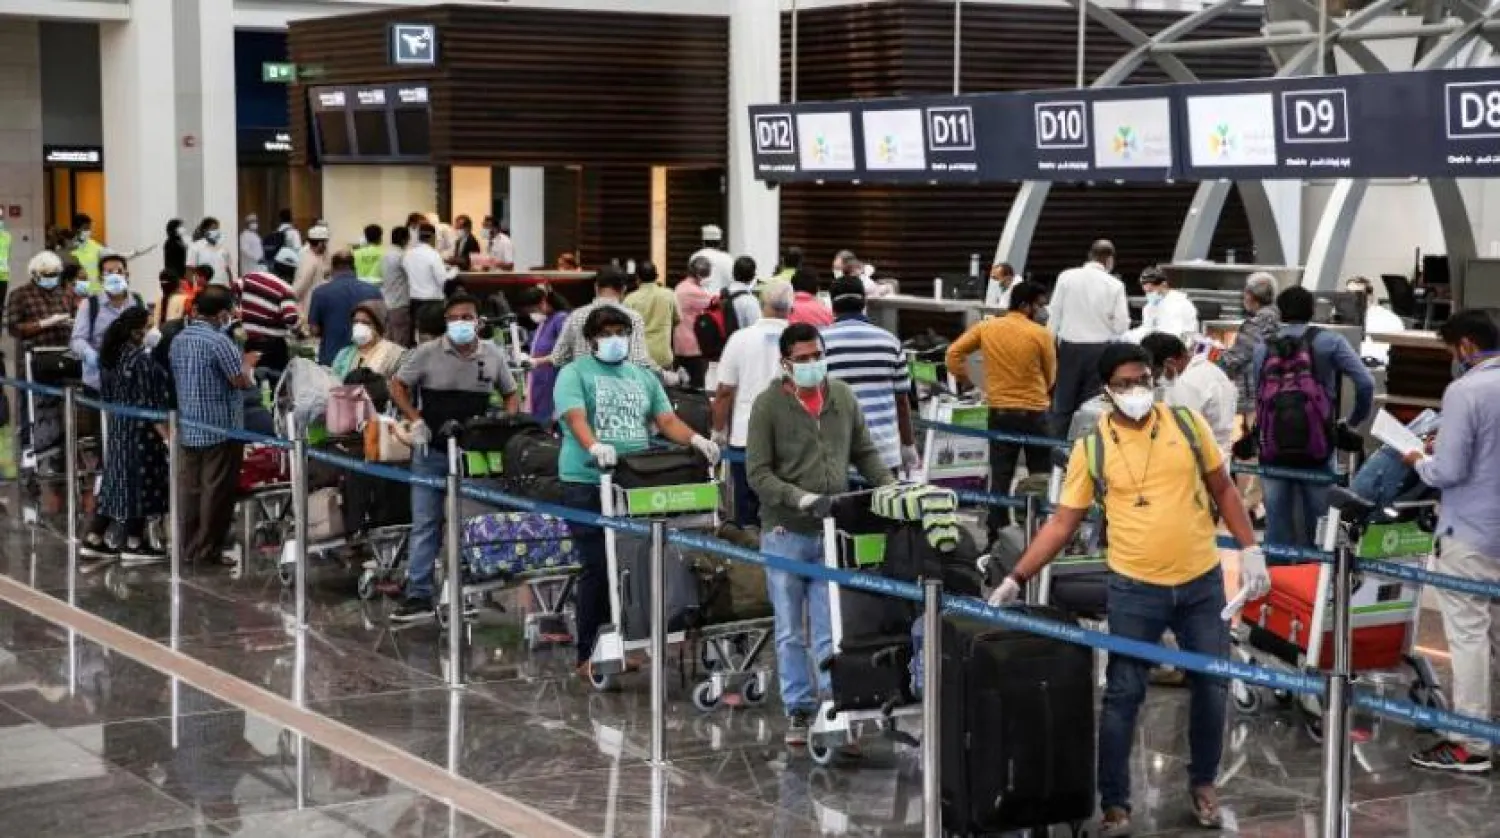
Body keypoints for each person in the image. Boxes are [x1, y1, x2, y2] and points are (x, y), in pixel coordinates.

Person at [990, 342, 1268, 836]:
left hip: (1202, 582)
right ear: (1106, 390)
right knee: (1123, 694)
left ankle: (1204, 782)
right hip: (1135, 588)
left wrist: (1250, 549)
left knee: (1213, 686)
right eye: (1124, 384)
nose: (1136, 390)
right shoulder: (1092, 446)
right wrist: (1017, 576)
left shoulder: (1186, 424)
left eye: (1143, 379)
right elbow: (1062, 523)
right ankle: (1116, 802)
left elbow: (1223, 487)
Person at [747, 322, 896, 746]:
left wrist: (887, 486)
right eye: (803, 359)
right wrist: (800, 499)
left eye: (817, 355)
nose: (812, 364)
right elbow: (757, 472)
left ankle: (833, 700)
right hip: (785, 531)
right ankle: (798, 707)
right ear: (786, 363)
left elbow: (865, 451)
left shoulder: (842, 397)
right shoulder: (768, 406)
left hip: (834, 531)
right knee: (791, 628)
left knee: (831, 627)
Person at [556, 306, 721, 674]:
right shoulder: (574, 373)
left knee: (632, 564)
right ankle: (588, 653)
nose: (615, 339)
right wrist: (594, 446)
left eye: (621, 332)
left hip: (634, 481)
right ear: (591, 339)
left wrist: (696, 439)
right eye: (607, 332)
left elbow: (665, 420)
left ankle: (625, 641)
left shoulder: (643, 376)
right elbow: (574, 417)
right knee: (599, 566)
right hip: (586, 481)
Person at [1405, 310, 1500, 774]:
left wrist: (1417, 457)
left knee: (1468, 637)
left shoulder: (1466, 391)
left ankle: (1470, 742)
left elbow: (1450, 470)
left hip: (1470, 531)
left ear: (1464, 346)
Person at [389, 293, 520, 622]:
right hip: (431, 450)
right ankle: (418, 594)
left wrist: (506, 422)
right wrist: (415, 419)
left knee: (472, 524)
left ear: (478, 320)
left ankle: (469, 589)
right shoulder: (427, 353)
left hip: (473, 456)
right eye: (455, 318)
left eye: (468, 316)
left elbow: (511, 393)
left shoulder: (492, 355)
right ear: (446, 323)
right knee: (426, 523)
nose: (463, 322)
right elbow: (397, 385)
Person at [1251, 286, 1374, 548]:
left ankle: (1280, 581)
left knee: (1277, 523)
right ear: (1311, 310)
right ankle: (1316, 581)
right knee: (1321, 527)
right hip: (1318, 445)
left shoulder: (1263, 347)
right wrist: (1351, 422)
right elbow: (1365, 383)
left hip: (1272, 449)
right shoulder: (1330, 341)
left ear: (1280, 312)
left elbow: (1259, 397)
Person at [946, 280, 1057, 539]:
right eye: (1039, 305)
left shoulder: (986, 327)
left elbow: (953, 354)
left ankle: (996, 533)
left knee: (1000, 475)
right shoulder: (1041, 334)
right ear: (1025, 305)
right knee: (1041, 475)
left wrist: (971, 382)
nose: (1043, 311)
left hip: (1000, 412)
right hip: (1035, 414)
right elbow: (1051, 376)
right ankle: (1039, 530)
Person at [170, 286, 258, 568]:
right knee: (216, 492)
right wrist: (248, 364)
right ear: (222, 314)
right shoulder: (219, 341)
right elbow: (239, 380)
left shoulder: (178, 339)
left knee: (191, 492)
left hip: (189, 426)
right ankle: (207, 551)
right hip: (221, 429)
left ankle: (187, 547)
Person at [79, 307, 170, 568]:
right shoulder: (140, 361)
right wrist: (167, 436)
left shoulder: (112, 357)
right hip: (141, 434)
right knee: (141, 484)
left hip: (119, 430)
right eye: (149, 325)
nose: (154, 330)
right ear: (136, 331)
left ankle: (96, 538)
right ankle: (133, 542)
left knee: (117, 484)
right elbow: (148, 405)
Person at [713, 279, 793, 529]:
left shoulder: (740, 339)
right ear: (791, 307)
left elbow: (725, 392)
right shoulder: (803, 339)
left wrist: (718, 432)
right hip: (791, 438)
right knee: (785, 507)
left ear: (761, 304)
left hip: (745, 436)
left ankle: (751, 556)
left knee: (748, 509)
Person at [822, 274, 919, 475]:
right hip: (884, 456)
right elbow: (901, 401)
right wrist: (908, 446)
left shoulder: (819, 344)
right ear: (864, 303)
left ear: (832, 306)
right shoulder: (890, 342)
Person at [1049, 240, 1129, 432]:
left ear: (1090, 255)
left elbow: (1054, 314)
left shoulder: (1066, 277)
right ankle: (1085, 452)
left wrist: (1050, 347)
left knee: (1062, 403)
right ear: (1109, 260)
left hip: (1069, 348)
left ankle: (1055, 451)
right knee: (1092, 406)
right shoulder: (1115, 285)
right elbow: (1121, 326)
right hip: (1100, 351)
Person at [1141, 332, 1237, 456]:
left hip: (1199, 458)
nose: (1155, 380)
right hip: (1217, 451)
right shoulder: (1210, 370)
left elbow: (1179, 432)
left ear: (1169, 363)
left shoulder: (1187, 384)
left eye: (1156, 373)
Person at [550, 267, 662, 373]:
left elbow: (558, 358)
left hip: (583, 385)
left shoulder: (576, 316)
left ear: (596, 287)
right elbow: (639, 361)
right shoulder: (633, 317)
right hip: (621, 386)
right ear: (624, 288)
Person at [70, 253, 147, 392]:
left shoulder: (137, 301)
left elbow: (146, 330)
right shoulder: (90, 305)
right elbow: (77, 339)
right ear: (100, 278)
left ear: (127, 275)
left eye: (119, 271)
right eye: (108, 272)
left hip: (132, 381)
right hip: (97, 381)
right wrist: (88, 353)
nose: (115, 276)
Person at [1218, 272, 1281, 422]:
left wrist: (1213, 362)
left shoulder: (1257, 323)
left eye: (1245, 293)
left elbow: (1236, 358)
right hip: (1273, 388)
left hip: (1255, 393)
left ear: (1251, 296)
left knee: (1255, 436)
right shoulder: (1278, 318)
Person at [308, 250, 382, 366]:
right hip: (367, 359)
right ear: (354, 267)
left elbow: (314, 330)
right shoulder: (373, 291)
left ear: (333, 268)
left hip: (332, 358)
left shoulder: (320, 293)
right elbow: (381, 327)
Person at [515, 285, 570, 424]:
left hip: (554, 383)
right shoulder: (544, 323)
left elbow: (566, 352)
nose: (531, 314)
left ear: (543, 302)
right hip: (539, 384)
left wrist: (537, 362)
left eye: (533, 310)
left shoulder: (561, 319)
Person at [8, 250, 77, 349]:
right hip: (36, 355)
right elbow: (14, 329)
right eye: (47, 275)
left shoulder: (62, 293)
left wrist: (71, 322)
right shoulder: (20, 294)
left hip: (65, 351)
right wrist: (44, 323)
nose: (51, 278)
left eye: (54, 275)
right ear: (34, 274)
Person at [239, 269, 301, 373]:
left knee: (251, 379)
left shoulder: (251, 276)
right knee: (273, 382)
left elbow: (234, 289)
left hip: (251, 343)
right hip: (273, 348)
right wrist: (297, 329)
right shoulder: (286, 289)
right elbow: (290, 319)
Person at [330, 302, 407, 381]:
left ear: (378, 327)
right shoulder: (345, 354)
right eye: (355, 322)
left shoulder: (394, 354)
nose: (359, 326)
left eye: (366, 323)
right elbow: (333, 381)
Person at [623, 261, 676, 370]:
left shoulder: (630, 299)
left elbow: (624, 327)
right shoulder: (669, 295)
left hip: (639, 356)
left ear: (637, 278)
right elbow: (678, 319)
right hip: (663, 356)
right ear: (656, 276)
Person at [673, 257, 714, 386]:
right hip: (693, 345)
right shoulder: (693, 291)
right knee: (696, 386)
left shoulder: (680, 286)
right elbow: (714, 302)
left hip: (679, 343)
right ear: (699, 274)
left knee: (681, 384)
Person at [1346, 275, 1406, 362]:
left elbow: (1384, 352)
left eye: (1357, 294)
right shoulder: (1344, 317)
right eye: (1348, 294)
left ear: (1370, 296)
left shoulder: (1387, 319)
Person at [1132, 266, 1199, 341]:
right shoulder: (1149, 307)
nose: (1148, 294)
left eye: (1151, 291)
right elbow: (1146, 329)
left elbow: (1179, 334)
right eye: (1146, 292)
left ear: (1163, 285)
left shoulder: (1181, 304)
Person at [403, 222, 448, 331]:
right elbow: (442, 279)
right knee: (433, 333)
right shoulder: (433, 254)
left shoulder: (408, 254)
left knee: (418, 333)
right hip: (432, 302)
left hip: (414, 300)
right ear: (432, 237)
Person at [381, 226, 413, 346]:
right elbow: (412, 275)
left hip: (387, 302)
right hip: (400, 303)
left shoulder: (386, 255)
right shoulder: (402, 256)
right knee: (401, 341)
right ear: (405, 240)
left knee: (389, 340)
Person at [292, 222, 332, 311]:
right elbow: (300, 285)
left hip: (319, 302)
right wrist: (291, 300)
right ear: (320, 244)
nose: (326, 246)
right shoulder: (308, 259)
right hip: (308, 304)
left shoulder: (320, 255)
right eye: (325, 242)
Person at [687, 224, 733, 294]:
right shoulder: (728, 258)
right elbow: (731, 282)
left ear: (703, 242)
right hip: (720, 301)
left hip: (699, 300)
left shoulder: (696, 256)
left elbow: (691, 282)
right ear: (720, 242)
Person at [186, 217, 233, 287]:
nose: (216, 231)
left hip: (222, 287)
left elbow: (228, 270)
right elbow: (189, 269)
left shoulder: (223, 249)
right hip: (204, 289)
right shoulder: (195, 247)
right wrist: (191, 287)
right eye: (213, 229)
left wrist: (231, 285)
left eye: (217, 229)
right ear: (205, 231)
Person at [727, 256, 761, 329]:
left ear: (733, 273)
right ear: (753, 276)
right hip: (741, 339)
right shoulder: (750, 300)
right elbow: (756, 328)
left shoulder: (722, 294)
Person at [70, 213, 107, 281]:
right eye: (85, 228)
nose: (88, 231)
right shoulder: (68, 247)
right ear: (75, 229)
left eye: (89, 228)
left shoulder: (94, 245)